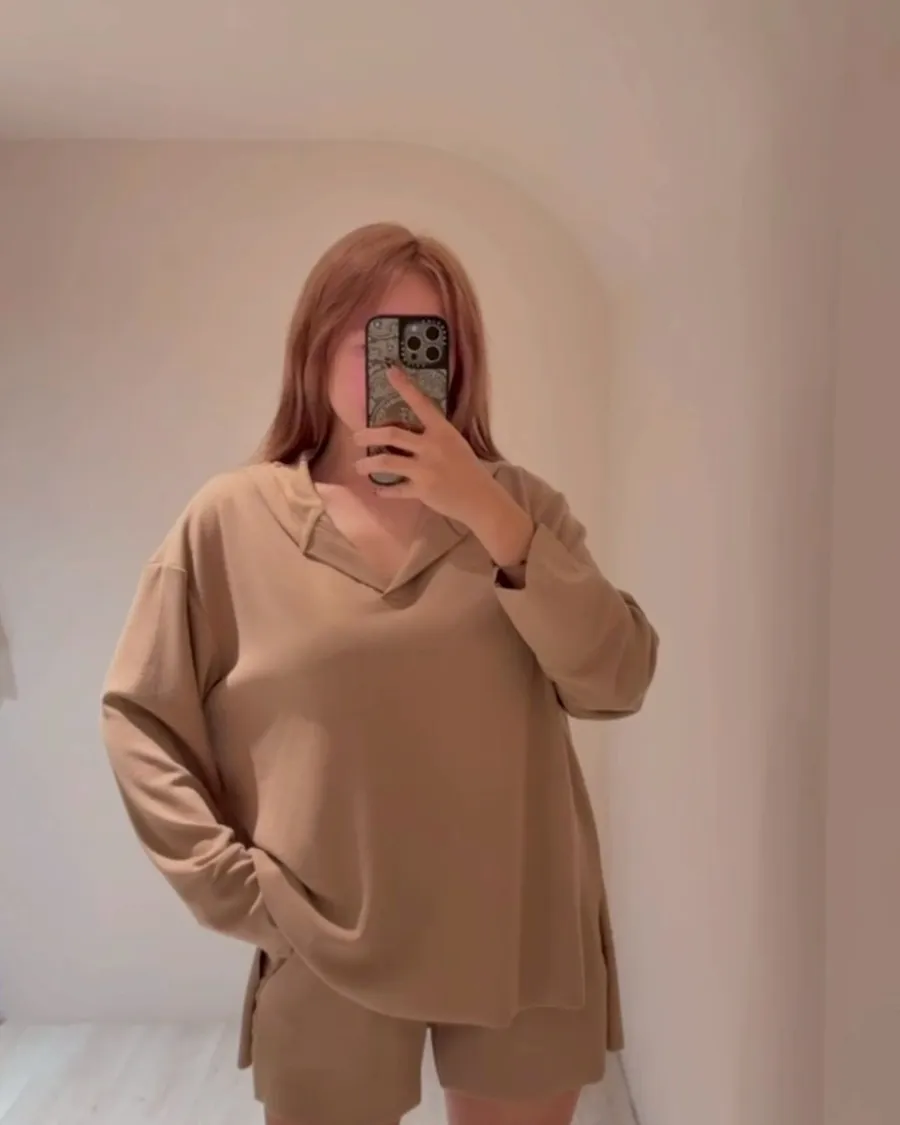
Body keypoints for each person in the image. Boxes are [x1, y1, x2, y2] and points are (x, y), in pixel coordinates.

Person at [101, 222, 659, 1125]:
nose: (391, 368)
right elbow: (140, 715)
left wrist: (488, 513)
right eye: (366, 335)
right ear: (314, 345)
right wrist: (235, 888)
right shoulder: (232, 520)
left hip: (521, 928)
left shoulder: (518, 509)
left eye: (421, 340)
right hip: (325, 933)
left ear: (458, 360)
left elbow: (618, 678)